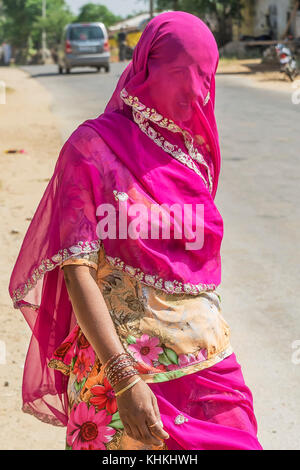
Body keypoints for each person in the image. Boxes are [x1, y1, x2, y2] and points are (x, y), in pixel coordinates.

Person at [9, 12, 263, 450]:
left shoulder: (193, 154)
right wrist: (124, 380)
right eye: (181, 73)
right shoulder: (91, 149)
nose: (196, 89)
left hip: (207, 364)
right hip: (120, 374)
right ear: (147, 68)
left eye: (206, 75)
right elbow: (77, 271)